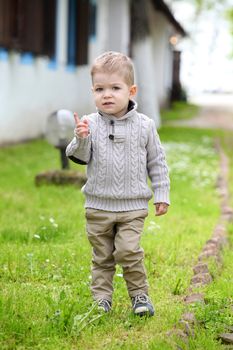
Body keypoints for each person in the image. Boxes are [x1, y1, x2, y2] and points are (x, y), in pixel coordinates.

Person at [66, 51, 170, 317]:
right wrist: (81, 139)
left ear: (131, 90)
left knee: (128, 250)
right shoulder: (89, 123)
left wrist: (161, 193)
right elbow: (78, 156)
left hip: (132, 207)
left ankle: (140, 296)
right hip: (98, 206)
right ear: (93, 91)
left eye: (115, 88)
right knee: (102, 256)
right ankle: (102, 299)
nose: (107, 94)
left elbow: (157, 162)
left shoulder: (145, 126)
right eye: (100, 89)